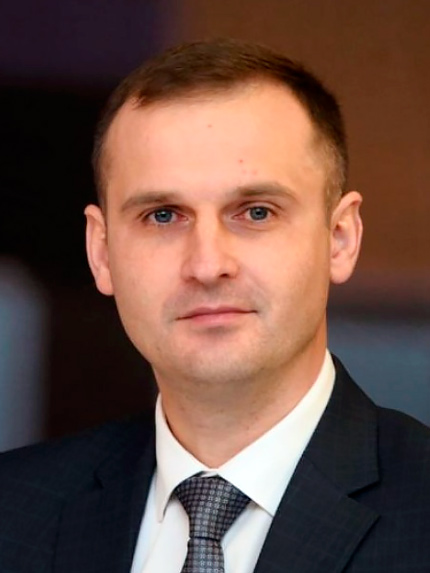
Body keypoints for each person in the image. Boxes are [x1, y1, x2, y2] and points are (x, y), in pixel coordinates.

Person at [1, 38, 429, 573]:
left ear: (340, 238)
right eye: (163, 215)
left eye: (255, 212)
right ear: (101, 252)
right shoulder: (12, 515)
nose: (207, 265)